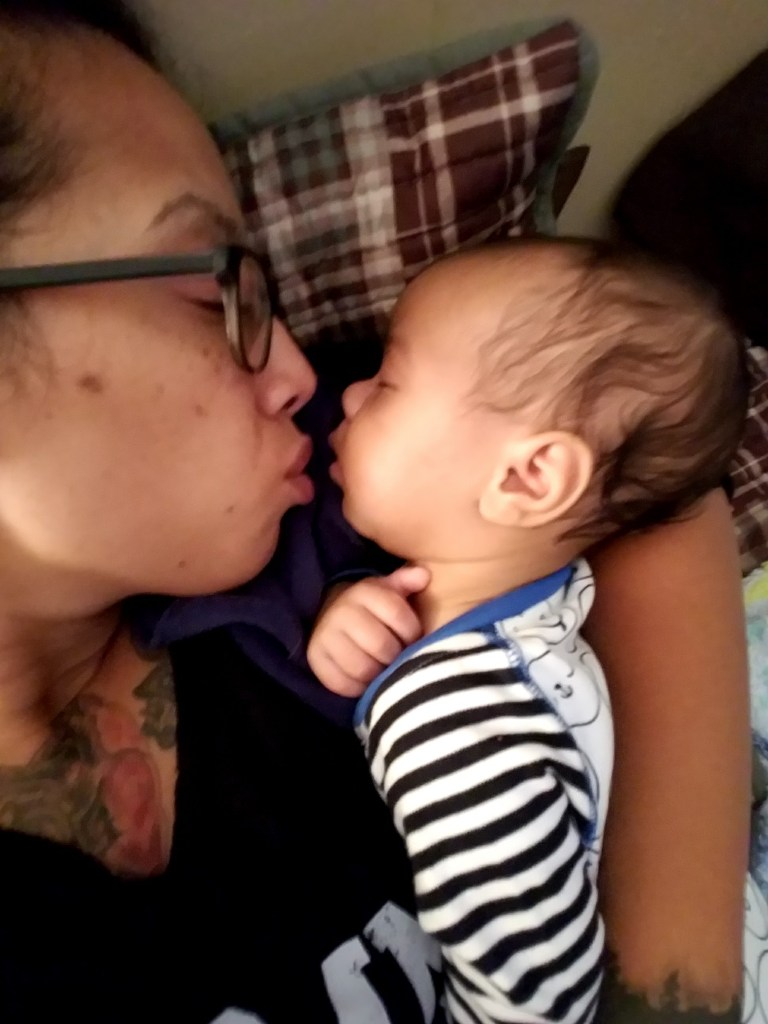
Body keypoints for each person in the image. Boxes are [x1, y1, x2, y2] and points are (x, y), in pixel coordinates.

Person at [0, 3, 753, 1023]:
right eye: (214, 293)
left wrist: (674, 992)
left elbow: (653, 481)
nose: (300, 372)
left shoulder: (347, 472)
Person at [307, 238, 764, 1023]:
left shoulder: (447, 723)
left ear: (528, 478)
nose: (348, 396)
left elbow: (537, 1004)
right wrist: (352, 608)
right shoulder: (542, 600)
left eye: (386, 383)